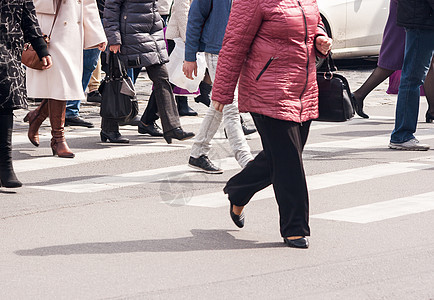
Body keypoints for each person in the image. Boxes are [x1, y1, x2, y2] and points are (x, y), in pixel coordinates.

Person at [211, 0, 332, 248]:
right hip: (267, 90)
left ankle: (239, 190)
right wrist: (222, 92)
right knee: (289, 162)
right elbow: (234, 44)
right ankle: (295, 228)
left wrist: (320, 39)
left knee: (280, 157)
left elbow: (314, 23)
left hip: (303, 89)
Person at [103, 0, 194, 144]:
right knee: (117, 80)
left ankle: (172, 127)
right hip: (128, 34)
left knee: (163, 78)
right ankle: (109, 128)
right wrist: (114, 38)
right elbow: (110, 8)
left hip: (152, 33)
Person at [25, 0, 107, 158]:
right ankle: (58, 138)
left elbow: (88, 2)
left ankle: (37, 117)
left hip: (71, 33)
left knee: (63, 84)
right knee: (61, 84)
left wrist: (97, 33)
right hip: (50, 30)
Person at [183, 0, 254, 174]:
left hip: (241, 49)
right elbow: (195, 16)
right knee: (230, 105)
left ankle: (198, 153)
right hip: (218, 51)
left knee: (219, 104)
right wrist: (189, 56)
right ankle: (245, 160)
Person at [352, 0, 434, 120]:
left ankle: (432, 109)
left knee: (424, 59)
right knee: (395, 58)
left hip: (413, 12)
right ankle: (358, 95)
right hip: (412, 12)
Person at [0, 0, 52, 188]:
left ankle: (6, 167)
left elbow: (28, 16)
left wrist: (41, 48)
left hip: (8, 49)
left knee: (6, 101)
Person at [388, 0, 434, 150]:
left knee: (412, 77)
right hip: (421, 18)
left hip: (421, 17)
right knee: (412, 78)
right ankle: (402, 135)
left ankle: (402, 134)